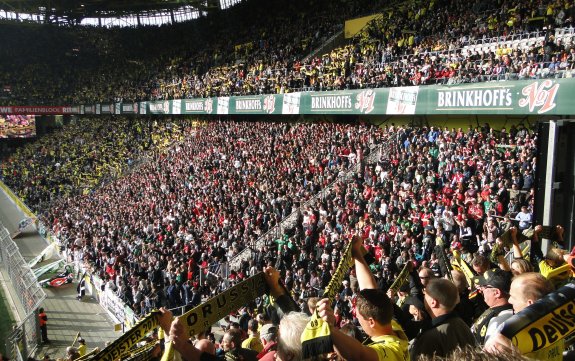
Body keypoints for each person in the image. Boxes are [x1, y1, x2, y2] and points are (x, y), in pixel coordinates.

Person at [316, 235, 409, 361]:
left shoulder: (390, 350)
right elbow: (369, 289)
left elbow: (360, 356)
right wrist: (357, 252)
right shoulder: (390, 326)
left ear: (371, 321)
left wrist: (330, 329)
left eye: (358, 317)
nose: (357, 319)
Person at [484, 273, 562, 361]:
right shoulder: (559, 319)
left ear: (530, 304)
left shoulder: (511, 337)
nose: (509, 300)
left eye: (513, 297)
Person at [410, 278, 476, 359]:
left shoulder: (429, 339)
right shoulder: (462, 324)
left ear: (433, 302)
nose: (424, 298)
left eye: (425, 295)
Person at [471, 269, 513, 345]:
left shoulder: (501, 321)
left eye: (484, 286)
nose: (481, 289)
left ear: (496, 293)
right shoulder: (495, 308)